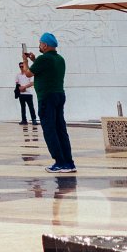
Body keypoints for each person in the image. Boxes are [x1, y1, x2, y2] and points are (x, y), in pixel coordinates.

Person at [31, 32, 75, 173]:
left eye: (40, 43)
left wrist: (25, 61)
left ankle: (59, 162)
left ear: (45, 45)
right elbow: (46, 69)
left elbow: (28, 73)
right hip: (59, 95)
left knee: (50, 130)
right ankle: (69, 163)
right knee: (60, 129)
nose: (39, 46)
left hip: (46, 97)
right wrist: (34, 60)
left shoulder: (44, 58)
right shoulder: (60, 59)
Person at [17, 58, 38, 126]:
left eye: (22, 66)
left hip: (28, 93)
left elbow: (32, 83)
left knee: (31, 107)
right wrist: (20, 88)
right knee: (23, 108)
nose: (21, 68)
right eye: (20, 66)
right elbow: (17, 83)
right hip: (21, 94)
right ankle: (24, 120)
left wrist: (24, 87)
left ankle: (34, 120)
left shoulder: (29, 74)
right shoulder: (18, 75)